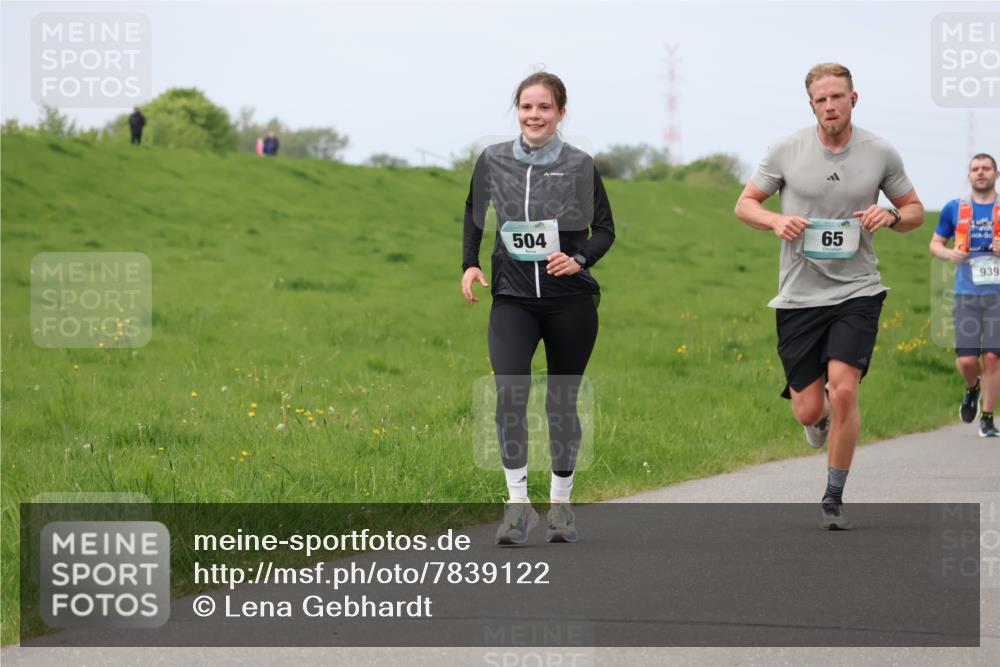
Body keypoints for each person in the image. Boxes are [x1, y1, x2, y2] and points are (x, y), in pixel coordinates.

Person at [734, 62, 924, 530]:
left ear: (853, 99)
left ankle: (833, 496)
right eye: (821, 99)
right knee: (810, 408)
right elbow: (745, 204)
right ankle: (814, 422)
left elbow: (915, 209)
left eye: (838, 96)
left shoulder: (880, 152)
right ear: (811, 105)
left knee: (843, 390)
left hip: (858, 290)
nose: (830, 106)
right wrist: (776, 221)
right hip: (799, 294)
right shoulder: (786, 150)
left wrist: (892, 218)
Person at [461, 72, 615, 545]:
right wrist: (469, 265)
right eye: (527, 107)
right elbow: (474, 214)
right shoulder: (494, 161)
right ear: (518, 111)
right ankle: (517, 507)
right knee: (509, 393)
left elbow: (605, 230)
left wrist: (580, 258)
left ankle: (562, 507)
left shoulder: (580, 165)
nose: (534, 115)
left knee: (561, 403)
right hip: (512, 298)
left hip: (568, 302)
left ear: (560, 113)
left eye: (544, 107)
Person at [929, 153, 1000, 437]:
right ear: (968, 175)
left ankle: (987, 416)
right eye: (975, 169)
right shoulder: (954, 208)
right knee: (967, 361)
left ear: (996, 174)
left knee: (994, 357)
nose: (980, 173)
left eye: (986, 168)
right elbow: (935, 244)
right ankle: (972, 389)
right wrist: (950, 254)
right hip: (966, 293)